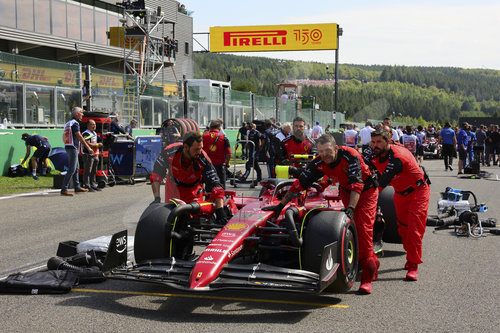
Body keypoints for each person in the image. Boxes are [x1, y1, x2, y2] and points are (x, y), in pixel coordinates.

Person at [264, 134, 379, 294]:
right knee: (355, 230)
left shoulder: (350, 155)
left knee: (363, 230)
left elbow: (357, 184)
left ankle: (367, 277)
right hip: (346, 190)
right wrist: (280, 205)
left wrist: (351, 208)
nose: (325, 155)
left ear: (336, 148)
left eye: (327, 150)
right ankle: (372, 262)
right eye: (321, 151)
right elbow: (300, 184)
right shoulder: (319, 161)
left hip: (366, 191)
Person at [366, 129, 430, 281]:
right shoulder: (375, 154)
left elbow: (382, 182)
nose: (375, 145)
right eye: (373, 142)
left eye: (379, 142)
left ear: (388, 141)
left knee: (414, 229)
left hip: (418, 192)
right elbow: (361, 165)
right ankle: (411, 255)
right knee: (403, 230)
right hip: (400, 194)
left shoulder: (398, 156)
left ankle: (413, 264)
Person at [150, 131, 228, 224]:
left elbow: (215, 184)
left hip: (193, 193)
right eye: (196, 149)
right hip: (173, 190)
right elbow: (156, 175)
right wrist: (157, 199)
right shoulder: (169, 152)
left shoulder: (203, 158)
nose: (199, 152)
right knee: (171, 221)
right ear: (186, 147)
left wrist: (220, 210)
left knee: (193, 222)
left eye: (201, 148)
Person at [61, 107, 93, 196]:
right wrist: (88, 148)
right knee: (72, 169)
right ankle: (64, 188)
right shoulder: (75, 123)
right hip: (72, 147)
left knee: (76, 168)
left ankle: (77, 187)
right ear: (77, 114)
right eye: (81, 113)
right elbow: (79, 136)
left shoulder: (69, 123)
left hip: (68, 146)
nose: (83, 114)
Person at [202, 120, 231, 189]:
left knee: (208, 185)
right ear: (219, 128)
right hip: (219, 165)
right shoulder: (224, 137)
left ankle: (208, 198)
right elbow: (228, 153)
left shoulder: (203, 136)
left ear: (210, 127)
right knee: (221, 185)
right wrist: (227, 163)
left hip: (207, 165)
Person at [81, 120, 102, 192]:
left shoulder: (94, 133)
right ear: (88, 125)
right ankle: (87, 185)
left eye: (95, 124)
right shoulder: (86, 133)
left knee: (94, 171)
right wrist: (97, 145)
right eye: (92, 124)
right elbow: (87, 143)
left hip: (95, 154)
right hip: (88, 155)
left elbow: (99, 141)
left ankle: (93, 184)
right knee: (88, 171)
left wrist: (99, 144)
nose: (94, 126)